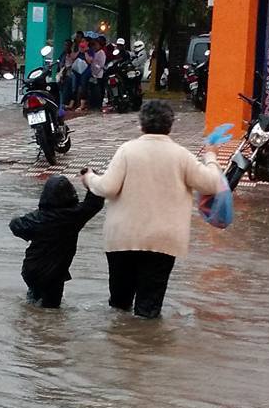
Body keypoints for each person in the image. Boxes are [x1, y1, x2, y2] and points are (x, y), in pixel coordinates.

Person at [84, 100, 227, 318]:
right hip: (163, 242)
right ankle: (147, 346)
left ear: (141, 125)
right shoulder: (182, 156)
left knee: (119, 306)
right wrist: (211, 156)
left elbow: (107, 188)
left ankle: (119, 346)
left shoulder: (127, 151)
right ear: (170, 126)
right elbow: (212, 184)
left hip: (123, 239)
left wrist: (89, 177)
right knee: (148, 312)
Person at [8, 175, 105, 308]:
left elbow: (15, 225)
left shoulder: (37, 218)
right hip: (53, 275)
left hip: (30, 270)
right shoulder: (74, 216)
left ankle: (31, 322)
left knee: (33, 303)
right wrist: (91, 179)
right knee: (51, 312)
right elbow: (94, 203)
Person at [86, 37, 108, 112]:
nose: (95, 47)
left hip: (98, 75)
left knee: (98, 91)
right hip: (93, 74)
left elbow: (101, 65)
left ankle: (98, 105)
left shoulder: (101, 53)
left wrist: (95, 65)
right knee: (92, 91)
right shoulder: (95, 53)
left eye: (96, 45)